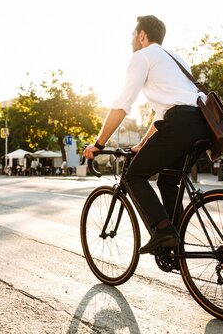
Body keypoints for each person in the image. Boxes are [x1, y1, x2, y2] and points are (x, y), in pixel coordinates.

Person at [83, 15, 211, 255]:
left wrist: (99, 144)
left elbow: (122, 104)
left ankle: (163, 231)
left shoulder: (141, 57)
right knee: (167, 180)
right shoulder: (177, 59)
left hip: (181, 123)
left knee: (133, 177)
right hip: (202, 124)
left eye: (133, 34)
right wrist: (142, 144)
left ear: (142, 35)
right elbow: (164, 113)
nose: (131, 39)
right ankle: (175, 246)